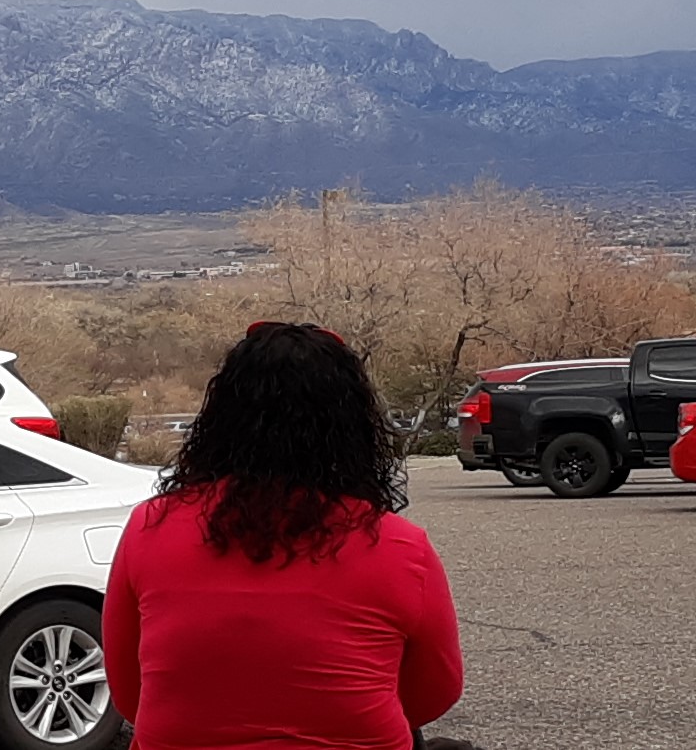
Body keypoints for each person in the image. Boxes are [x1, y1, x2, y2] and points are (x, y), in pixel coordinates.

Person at [104, 321, 468, 749]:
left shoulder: (151, 529)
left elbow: (130, 695)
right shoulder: (400, 547)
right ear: (351, 427)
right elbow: (433, 695)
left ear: (220, 419)